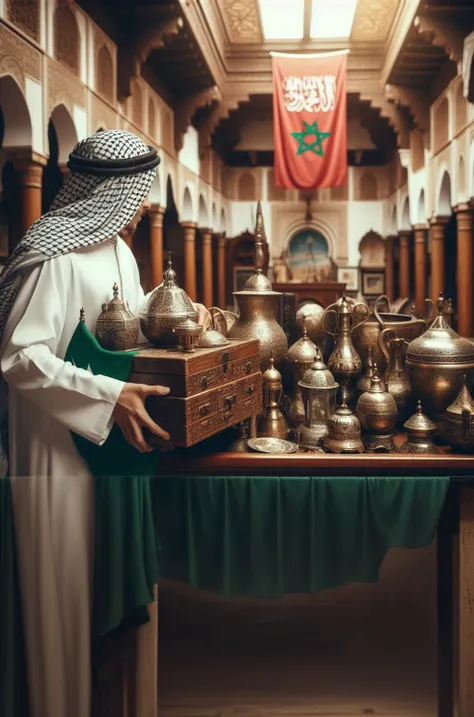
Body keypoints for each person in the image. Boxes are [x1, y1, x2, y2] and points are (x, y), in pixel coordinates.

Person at [0, 130, 209, 717]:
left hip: (113, 449)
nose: (144, 206)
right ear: (113, 190)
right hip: (54, 454)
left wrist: (185, 318)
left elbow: (132, 324)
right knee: (60, 603)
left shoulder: (117, 249)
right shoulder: (55, 256)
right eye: (139, 192)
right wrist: (109, 392)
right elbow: (19, 355)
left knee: (102, 598)